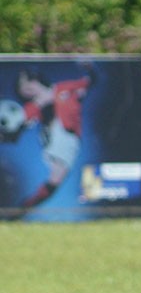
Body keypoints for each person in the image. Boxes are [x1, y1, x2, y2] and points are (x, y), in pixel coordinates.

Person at [15, 68, 94, 208]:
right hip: (53, 140)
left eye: (27, 86)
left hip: (68, 139)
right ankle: (25, 206)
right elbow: (21, 121)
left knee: (55, 181)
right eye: (23, 91)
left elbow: (88, 82)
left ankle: (27, 205)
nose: (27, 92)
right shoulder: (34, 106)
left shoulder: (64, 88)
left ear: (35, 81)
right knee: (54, 179)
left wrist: (90, 69)